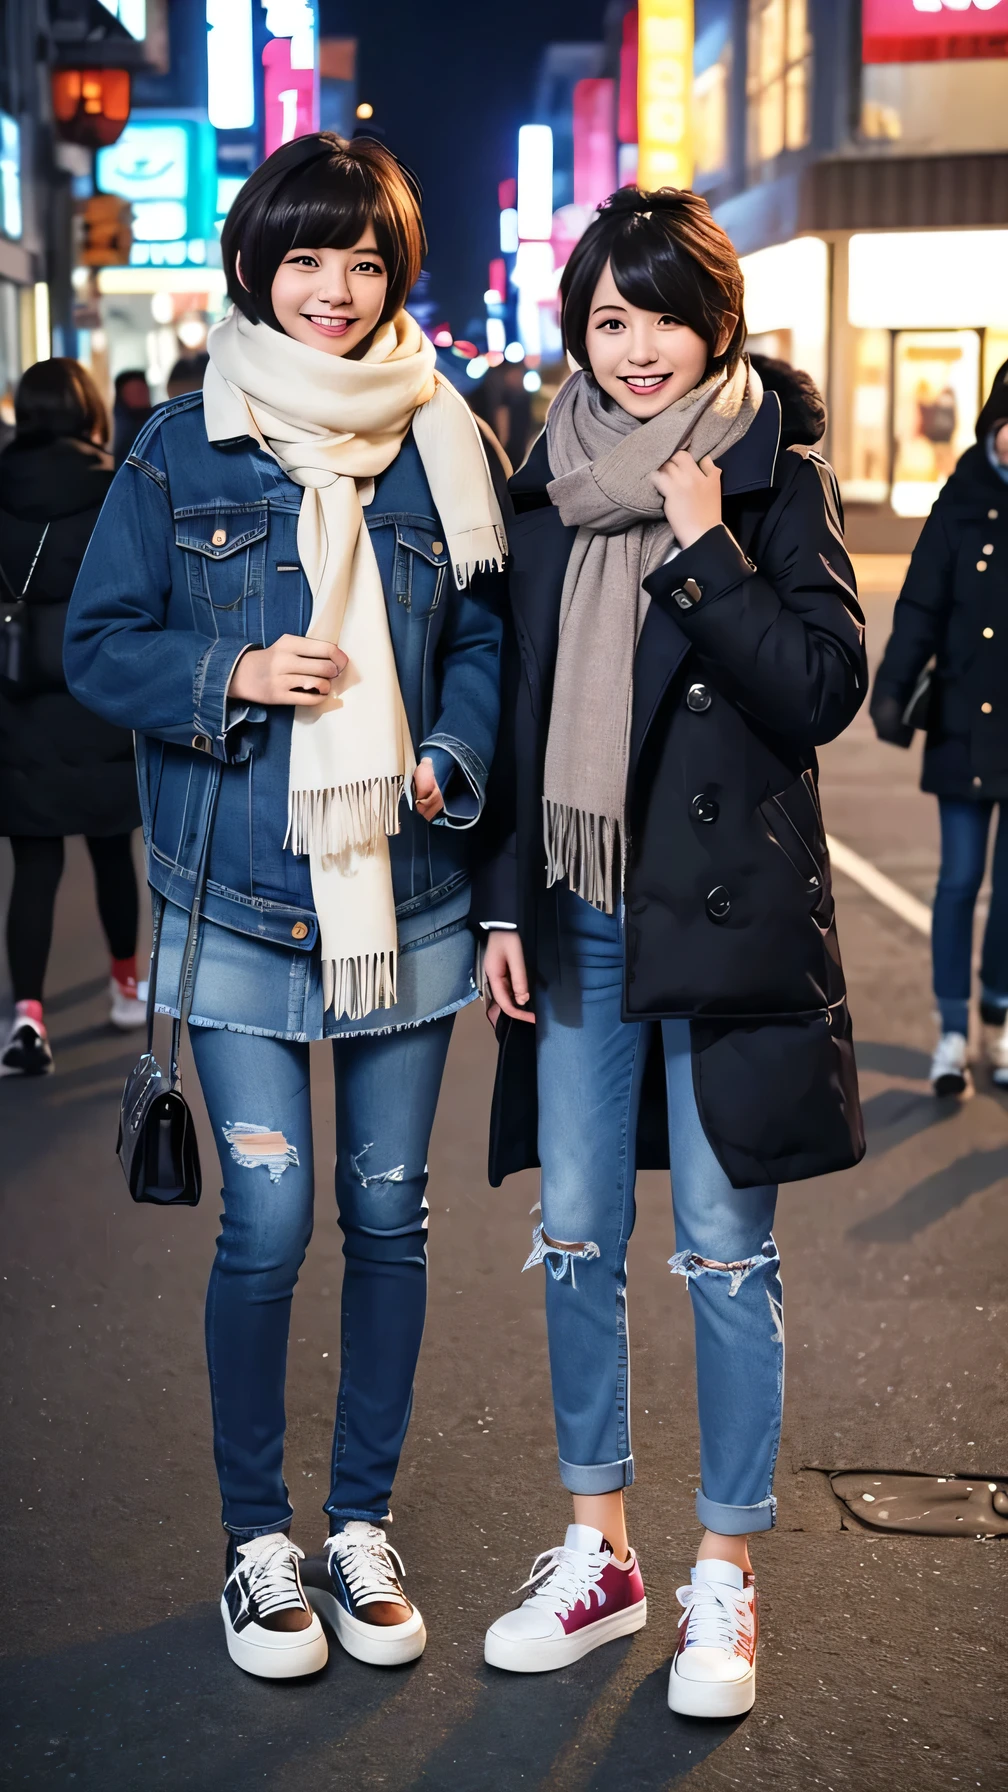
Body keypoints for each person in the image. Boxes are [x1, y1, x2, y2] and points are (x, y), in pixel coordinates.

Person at [64, 131, 507, 1682]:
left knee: (391, 1210)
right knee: (269, 1214)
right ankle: (259, 1545)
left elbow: (481, 634)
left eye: (366, 262)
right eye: (309, 258)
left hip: (414, 884)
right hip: (237, 897)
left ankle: (356, 1524)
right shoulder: (182, 445)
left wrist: (451, 754)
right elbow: (96, 642)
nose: (335, 289)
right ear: (258, 266)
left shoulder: (447, 440)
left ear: (399, 279)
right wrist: (228, 673)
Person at [475, 186, 866, 1719]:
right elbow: (514, 719)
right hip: (575, 911)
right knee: (574, 1231)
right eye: (610, 318)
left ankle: (725, 1571)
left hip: (718, 923)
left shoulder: (767, 478)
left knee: (721, 1247)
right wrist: (504, 901)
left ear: (719, 326)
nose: (637, 350)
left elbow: (821, 691)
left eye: (664, 317)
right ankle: (600, 1548)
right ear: (580, 327)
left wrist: (708, 554)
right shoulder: (544, 480)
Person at [0, 358, 144, 1076]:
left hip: (17, 701)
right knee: (112, 848)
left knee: (34, 861)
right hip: (100, 694)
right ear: (90, 409)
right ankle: (126, 987)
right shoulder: (113, 484)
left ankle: (27, 1015)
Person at [871, 358, 1008, 1097]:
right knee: (959, 880)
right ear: (994, 428)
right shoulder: (958, 502)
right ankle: (953, 1030)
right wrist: (892, 691)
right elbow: (919, 606)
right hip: (963, 721)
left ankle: (1001, 1008)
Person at [111, 367, 152, 469]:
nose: (142, 395)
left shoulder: (156, 422)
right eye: (136, 392)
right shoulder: (117, 428)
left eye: (143, 391)